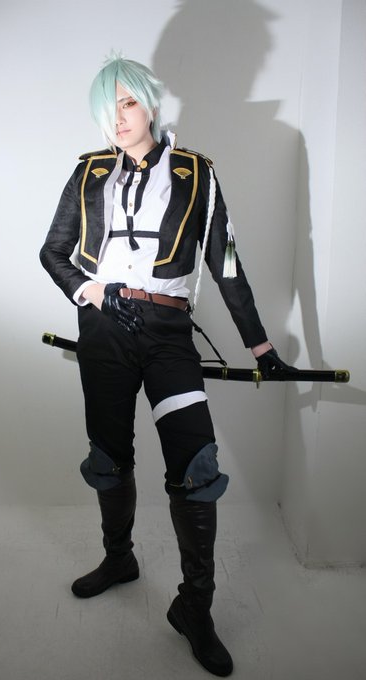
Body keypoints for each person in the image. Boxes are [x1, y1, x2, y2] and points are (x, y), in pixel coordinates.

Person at [40, 54, 290, 677]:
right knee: (108, 455)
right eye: (107, 109)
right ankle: (119, 557)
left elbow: (224, 262)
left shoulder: (197, 172)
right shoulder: (88, 171)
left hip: (168, 334)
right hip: (103, 330)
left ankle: (194, 608)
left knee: (196, 464)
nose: (118, 119)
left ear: (149, 102)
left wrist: (261, 347)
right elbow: (53, 251)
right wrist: (92, 293)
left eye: (127, 103)